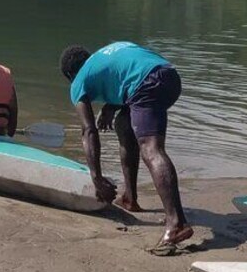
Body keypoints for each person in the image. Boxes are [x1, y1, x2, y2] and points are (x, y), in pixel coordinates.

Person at [60, 41, 192, 248]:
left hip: (146, 84)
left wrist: (96, 178)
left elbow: (88, 130)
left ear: (70, 75)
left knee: (151, 149)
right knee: (124, 122)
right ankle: (130, 198)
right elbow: (126, 74)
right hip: (170, 76)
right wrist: (110, 107)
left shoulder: (78, 81)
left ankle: (177, 223)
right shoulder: (106, 54)